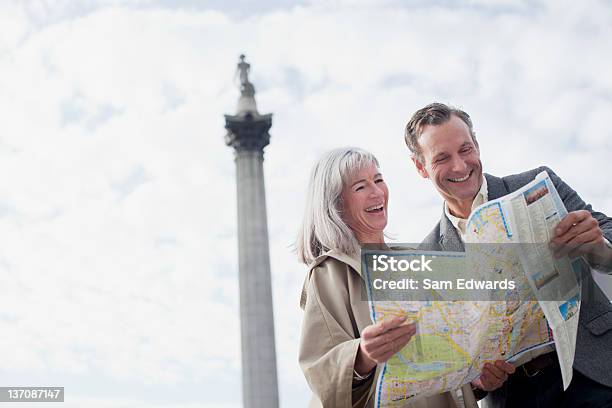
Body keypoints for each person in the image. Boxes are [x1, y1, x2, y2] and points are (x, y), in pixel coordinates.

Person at [404, 102, 612, 407]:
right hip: (513, 397)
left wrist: (597, 245)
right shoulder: (430, 256)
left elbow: (607, 234)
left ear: (476, 144)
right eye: (442, 158)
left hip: (595, 370)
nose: (460, 166)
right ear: (421, 167)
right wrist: (476, 382)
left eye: (465, 149)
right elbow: (450, 361)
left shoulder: (539, 182)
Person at [296, 147, 477, 408]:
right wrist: (363, 356)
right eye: (360, 187)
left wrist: (479, 379)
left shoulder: (421, 259)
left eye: (378, 180)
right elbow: (322, 374)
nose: (377, 192)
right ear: (336, 205)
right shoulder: (329, 273)